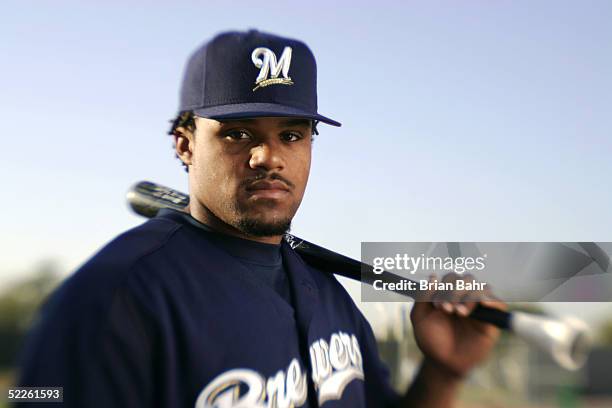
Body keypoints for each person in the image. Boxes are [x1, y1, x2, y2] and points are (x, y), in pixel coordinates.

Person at [17, 30, 504, 408]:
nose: (268, 156)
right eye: (237, 134)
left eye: (292, 135)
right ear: (185, 143)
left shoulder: (329, 294)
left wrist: (445, 372)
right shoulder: (113, 298)